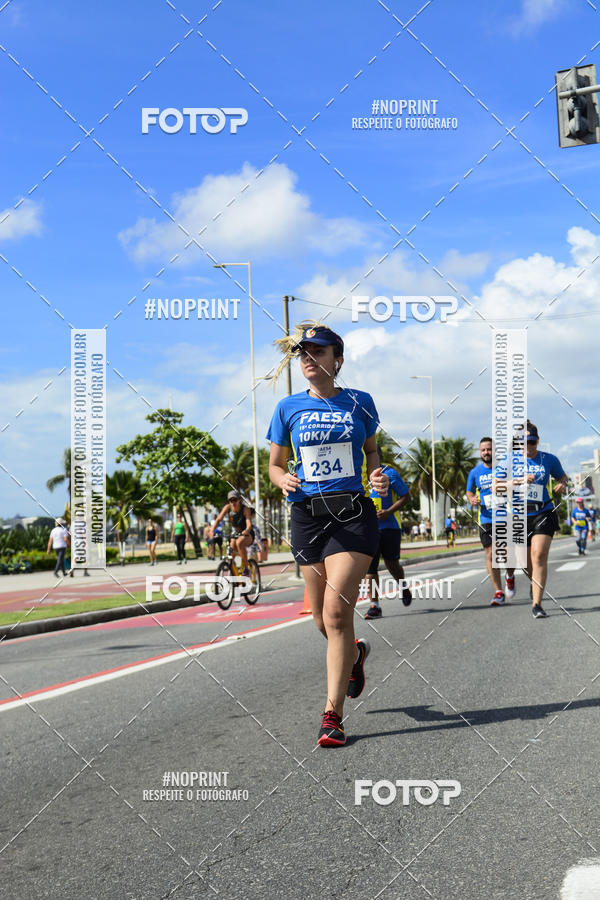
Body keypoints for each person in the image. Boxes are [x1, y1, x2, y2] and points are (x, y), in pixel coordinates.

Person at [267, 322, 388, 748]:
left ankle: (332, 716)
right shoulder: (287, 408)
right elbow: (275, 465)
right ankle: (354, 655)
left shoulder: (360, 402)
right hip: (306, 517)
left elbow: (371, 450)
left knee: (337, 614)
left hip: (352, 514)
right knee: (320, 619)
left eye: (317, 351)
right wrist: (281, 480)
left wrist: (376, 474)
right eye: (302, 352)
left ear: (337, 358)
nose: (307, 358)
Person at [504, 421, 568, 618]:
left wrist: (563, 484)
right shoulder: (509, 461)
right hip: (518, 514)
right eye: (524, 442)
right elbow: (496, 486)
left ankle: (537, 604)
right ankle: (533, 582)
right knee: (523, 560)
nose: (528, 446)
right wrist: (517, 481)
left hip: (543, 512)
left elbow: (563, 478)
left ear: (537, 440)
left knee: (538, 555)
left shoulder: (549, 459)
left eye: (531, 442)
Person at [467, 437, 516, 605]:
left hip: (504, 515)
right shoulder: (474, 472)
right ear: (480, 452)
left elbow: (515, 483)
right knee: (490, 553)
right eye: (483, 450)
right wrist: (472, 499)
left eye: (489, 449)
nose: (486, 453)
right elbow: (469, 492)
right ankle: (498, 591)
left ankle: (510, 576)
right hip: (486, 518)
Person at [364, 464, 412, 618]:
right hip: (366, 529)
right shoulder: (356, 474)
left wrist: (388, 512)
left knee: (392, 564)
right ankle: (375, 606)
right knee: (370, 569)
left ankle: (403, 587)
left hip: (389, 527)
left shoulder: (390, 473)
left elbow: (406, 496)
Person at [211, 491, 254, 575]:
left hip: (248, 534)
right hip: (236, 534)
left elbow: (249, 523)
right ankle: (232, 568)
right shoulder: (227, 508)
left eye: (235, 500)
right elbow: (218, 519)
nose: (233, 502)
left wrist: (246, 530)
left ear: (239, 500)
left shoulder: (245, 509)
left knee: (239, 542)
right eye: (231, 500)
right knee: (232, 546)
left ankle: (246, 568)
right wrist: (212, 530)